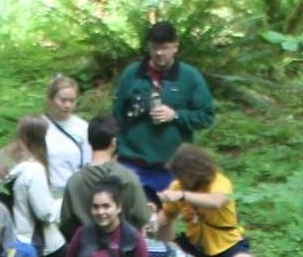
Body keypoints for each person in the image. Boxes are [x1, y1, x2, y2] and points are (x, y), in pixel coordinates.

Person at [113, 21, 214, 198]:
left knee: (166, 213)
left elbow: (206, 116)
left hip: (171, 166)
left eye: (165, 48)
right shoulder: (132, 74)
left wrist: (175, 115)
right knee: (129, 211)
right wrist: (116, 147)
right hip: (131, 162)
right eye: (155, 48)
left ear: (175, 47)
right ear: (148, 47)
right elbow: (116, 115)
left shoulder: (190, 77)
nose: (159, 53)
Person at [157, 144, 260, 257]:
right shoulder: (177, 186)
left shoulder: (219, 181)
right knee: (163, 243)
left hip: (226, 244)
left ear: (194, 173)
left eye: (183, 175)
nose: (180, 180)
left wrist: (182, 195)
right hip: (194, 245)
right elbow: (167, 214)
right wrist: (150, 221)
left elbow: (216, 202)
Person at [0, 116, 65, 257]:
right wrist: (64, 201)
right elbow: (45, 213)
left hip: (9, 241)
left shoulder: (0, 160)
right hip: (35, 243)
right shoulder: (33, 169)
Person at [60, 115, 150, 240]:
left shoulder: (74, 182)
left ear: (89, 141)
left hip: (86, 247)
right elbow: (142, 217)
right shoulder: (129, 178)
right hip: (124, 246)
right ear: (114, 142)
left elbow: (66, 224)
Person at [42, 75, 90, 194]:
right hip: (44, 191)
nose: (67, 105)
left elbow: (88, 164)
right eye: (63, 100)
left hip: (73, 192)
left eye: (72, 101)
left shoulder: (83, 128)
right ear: (51, 99)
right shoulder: (39, 125)